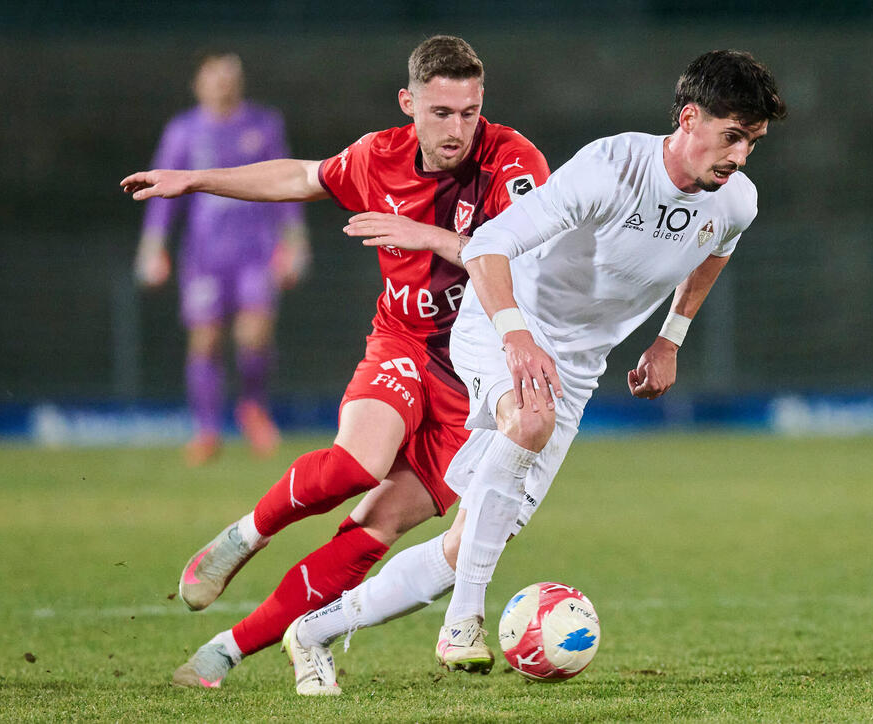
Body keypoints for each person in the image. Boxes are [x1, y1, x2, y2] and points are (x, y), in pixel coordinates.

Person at [278, 49, 787, 696]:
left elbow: (715, 249)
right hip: (501, 323)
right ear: (689, 118)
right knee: (530, 419)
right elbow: (489, 245)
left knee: (468, 545)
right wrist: (516, 338)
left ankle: (313, 632)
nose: (740, 155)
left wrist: (671, 338)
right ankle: (462, 622)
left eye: (752, 142)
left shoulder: (736, 201)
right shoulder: (610, 169)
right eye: (733, 136)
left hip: (575, 369)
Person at [121, 35, 550, 688]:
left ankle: (228, 650)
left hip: (476, 381)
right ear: (409, 103)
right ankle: (246, 535)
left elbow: (529, 260)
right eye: (441, 112)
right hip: (404, 343)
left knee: (377, 528)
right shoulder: (378, 157)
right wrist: (198, 180)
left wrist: (427, 236)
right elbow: (301, 176)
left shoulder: (514, 163)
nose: (457, 129)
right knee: (357, 464)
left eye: (469, 112)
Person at [134, 52, 311, 465]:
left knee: (254, 334)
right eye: (215, 77)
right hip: (204, 255)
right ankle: (207, 430)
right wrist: (152, 246)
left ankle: (253, 407)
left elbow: (288, 185)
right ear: (198, 84)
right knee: (206, 339)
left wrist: (295, 243)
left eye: (230, 77)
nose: (223, 84)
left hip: (256, 251)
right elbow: (162, 194)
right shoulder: (183, 131)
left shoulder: (263, 125)